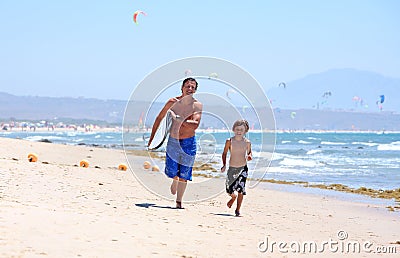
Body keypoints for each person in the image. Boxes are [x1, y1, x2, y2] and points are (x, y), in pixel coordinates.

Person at [147, 78, 203, 209]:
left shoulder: (197, 105)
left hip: (189, 142)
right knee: (172, 171)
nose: (190, 89)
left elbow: (195, 124)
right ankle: (175, 180)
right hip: (173, 141)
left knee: (185, 173)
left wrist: (178, 119)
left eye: (193, 87)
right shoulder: (172, 102)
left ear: (195, 90)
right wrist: (152, 138)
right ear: (182, 88)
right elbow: (159, 118)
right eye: (187, 86)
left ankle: (179, 201)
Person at [221, 119, 252, 216]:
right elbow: (224, 153)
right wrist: (224, 164)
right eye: (237, 129)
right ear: (233, 129)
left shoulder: (247, 142)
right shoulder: (229, 141)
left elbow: (250, 152)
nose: (239, 131)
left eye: (241, 130)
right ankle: (232, 197)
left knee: (241, 190)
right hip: (232, 168)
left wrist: (250, 156)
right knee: (228, 188)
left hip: (243, 168)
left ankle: (238, 210)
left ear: (245, 131)